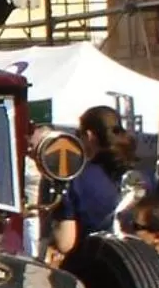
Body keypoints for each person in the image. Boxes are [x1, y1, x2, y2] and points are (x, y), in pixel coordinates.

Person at [49, 105, 135, 265]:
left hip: (95, 269)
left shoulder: (75, 178)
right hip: (145, 274)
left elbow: (65, 243)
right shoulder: (146, 177)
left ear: (89, 136)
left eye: (78, 134)